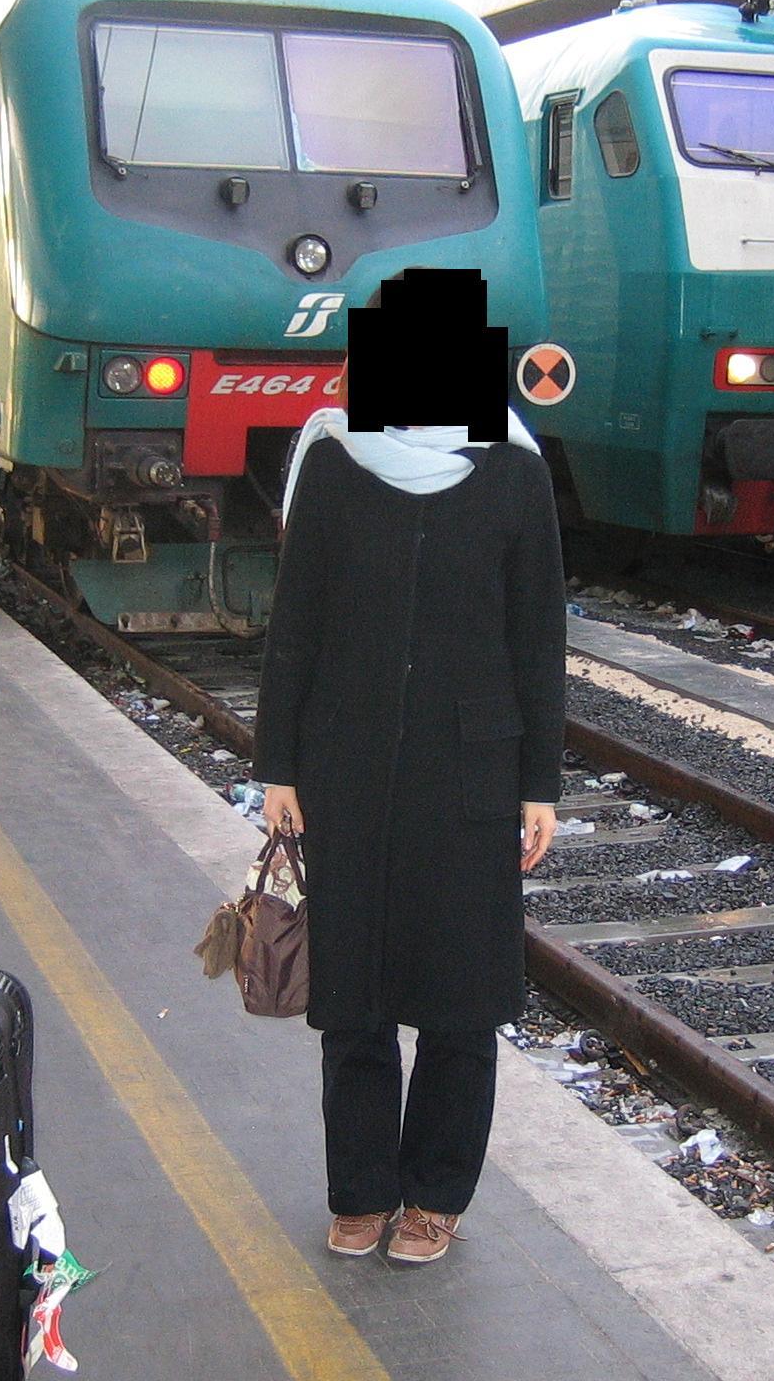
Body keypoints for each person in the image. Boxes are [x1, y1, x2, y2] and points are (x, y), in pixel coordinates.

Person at [248, 367, 566, 1267]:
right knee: (353, 997)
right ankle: (361, 1191)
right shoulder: (335, 461)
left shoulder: (514, 470)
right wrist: (278, 767)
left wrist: (539, 785)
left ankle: (435, 1196)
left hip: (471, 773)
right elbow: (296, 622)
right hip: (345, 768)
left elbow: (538, 635)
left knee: (462, 1000)